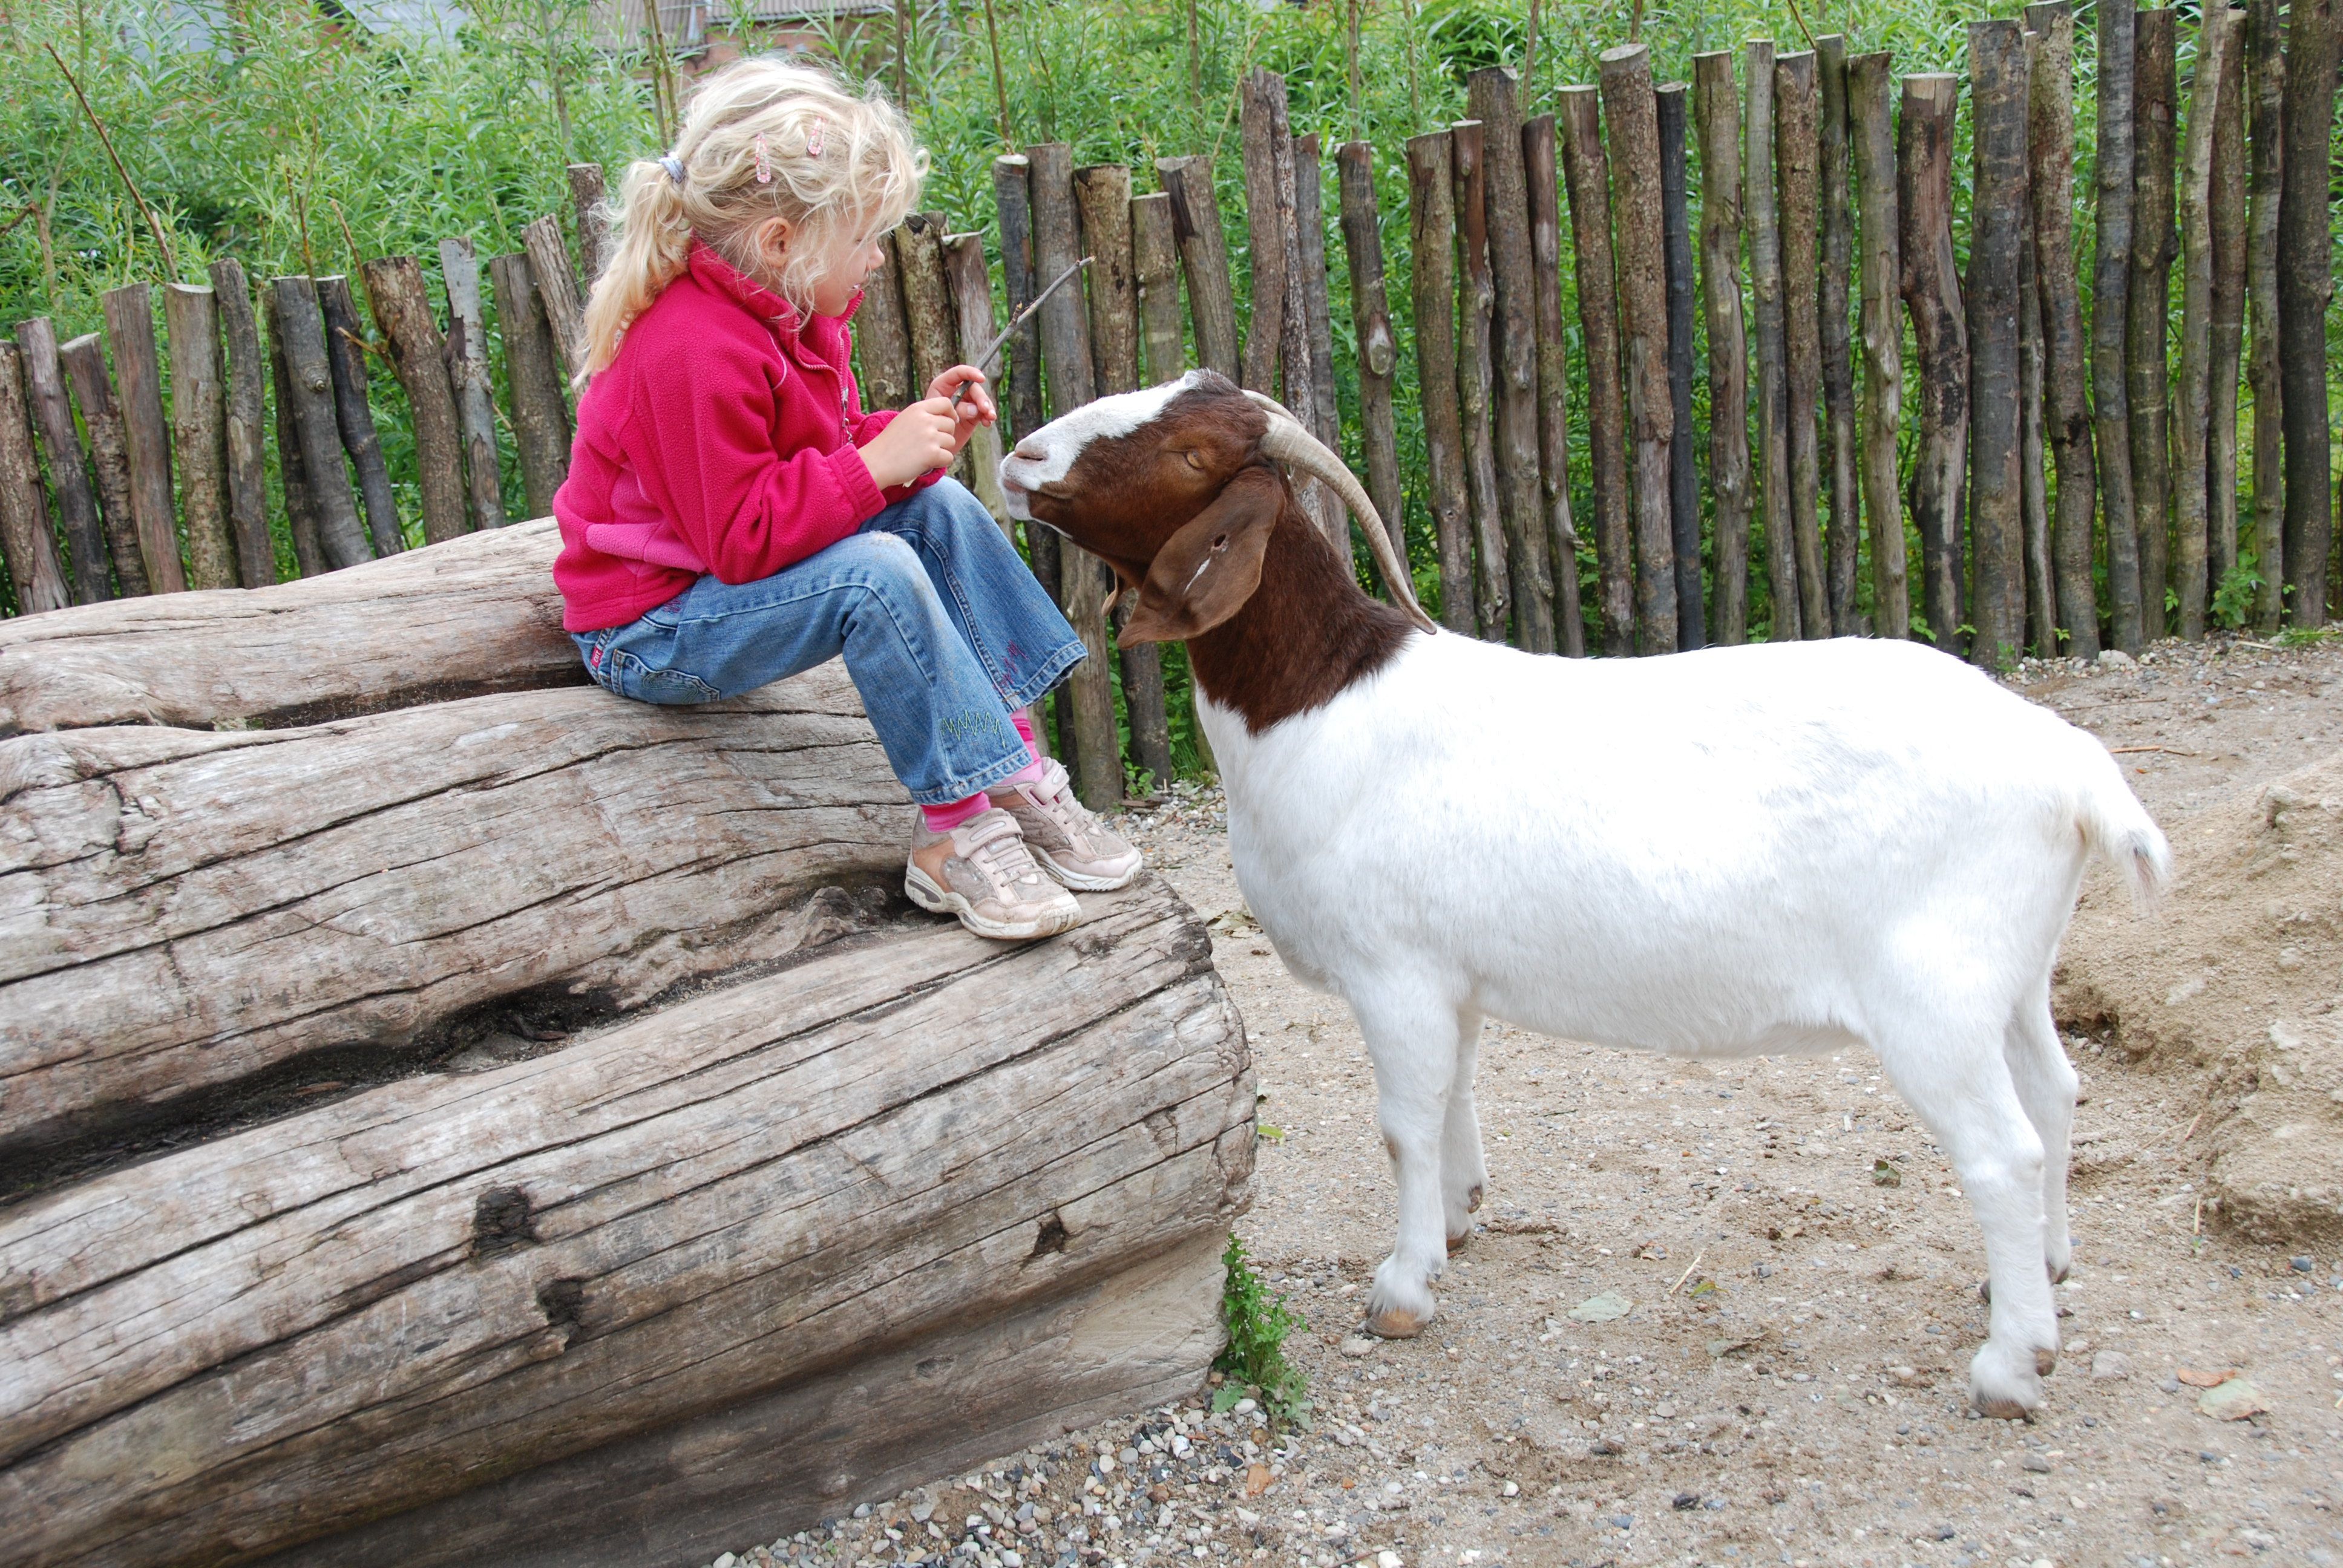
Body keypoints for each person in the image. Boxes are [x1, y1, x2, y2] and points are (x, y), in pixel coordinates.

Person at [553, 57, 1138, 941]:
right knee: (874, 573)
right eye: (865, 238)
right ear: (783, 241)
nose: (876, 258)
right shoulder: (690, 350)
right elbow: (744, 540)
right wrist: (876, 467)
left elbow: (814, 461)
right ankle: (951, 834)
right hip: (652, 630)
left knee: (939, 513)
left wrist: (912, 439)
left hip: (721, 588)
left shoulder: (786, 314)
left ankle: (1012, 766)